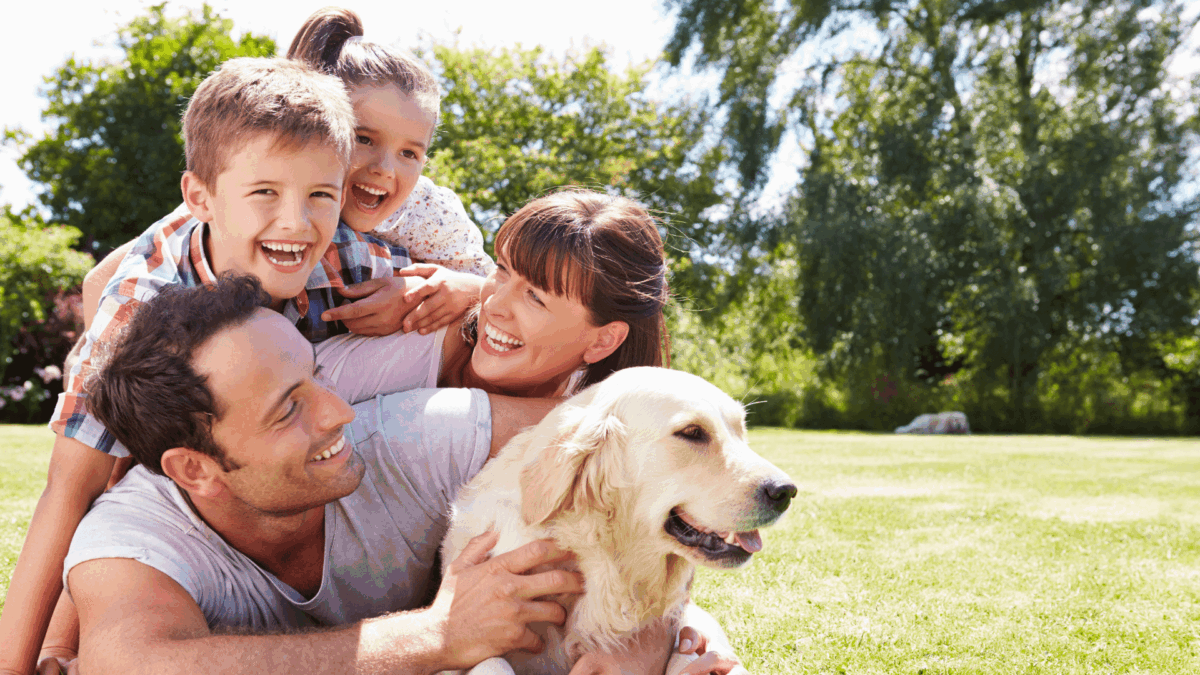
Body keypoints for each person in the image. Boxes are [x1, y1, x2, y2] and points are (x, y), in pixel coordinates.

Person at [0, 56, 439, 675]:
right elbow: (68, 491)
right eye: (266, 193)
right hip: (188, 422)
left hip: (286, 412)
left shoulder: (350, 261)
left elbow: (487, 322)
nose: (296, 220)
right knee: (122, 471)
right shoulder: (139, 310)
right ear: (200, 198)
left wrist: (462, 296)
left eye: (320, 195)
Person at [63, 275, 736, 674]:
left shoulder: (414, 433)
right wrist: (435, 635)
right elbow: (132, 665)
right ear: (194, 468)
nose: (338, 413)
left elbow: (642, 449)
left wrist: (649, 635)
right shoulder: (134, 536)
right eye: (287, 409)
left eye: (316, 377)